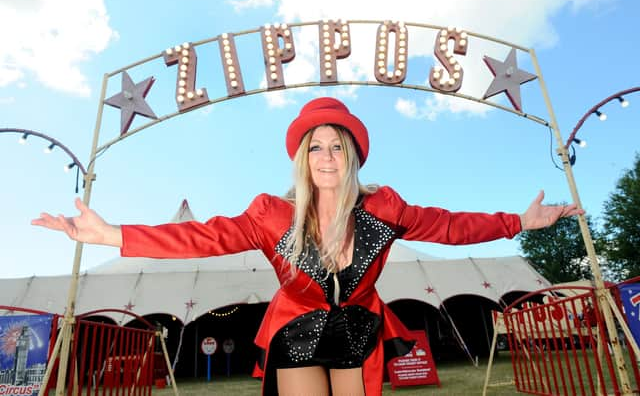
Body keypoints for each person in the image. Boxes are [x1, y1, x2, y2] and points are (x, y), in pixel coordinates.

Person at [33, 97, 583, 395]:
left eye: (336, 146)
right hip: (297, 331)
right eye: (314, 147)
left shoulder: (385, 208)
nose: (325, 157)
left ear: (353, 156)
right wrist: (112, 235)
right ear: (301, 157)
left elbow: (449, 225)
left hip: (360, 332)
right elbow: (201, 238)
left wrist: (518, 220)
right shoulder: (270, 216)